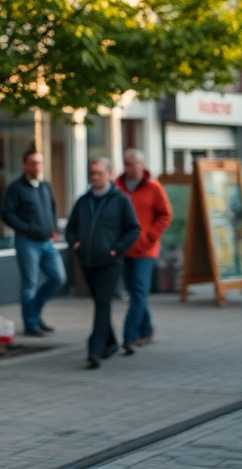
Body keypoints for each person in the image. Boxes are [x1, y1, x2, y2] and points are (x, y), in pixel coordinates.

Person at [66, 157, 140, 369]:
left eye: (99, 173)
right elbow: (71, 228)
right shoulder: (83, 201)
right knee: (100, 303)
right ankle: (111, 343)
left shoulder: (120, 200)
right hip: (87, 261)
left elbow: (133, 229)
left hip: (110, 262)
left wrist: (117, 249)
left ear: (110, 174)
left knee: (102, 302)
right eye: (92, 173)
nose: (95, 177)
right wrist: (75, 244)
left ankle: (95, 351)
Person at [0, 149, 66, 337]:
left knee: (58, 277)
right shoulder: (16, 188)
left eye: (40, 163)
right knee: (29, 283)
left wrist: (53, 228)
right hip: (27, 242)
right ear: (25, 166)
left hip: (47, 242)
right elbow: (7, 213)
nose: (37, 167)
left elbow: (51, 207)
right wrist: (25, 228)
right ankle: (31, 323)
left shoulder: (44, 186)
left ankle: (34, 311)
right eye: (33, 163)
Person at [115, 148, 172, 352]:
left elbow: (165, 215)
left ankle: (130, 336)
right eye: (126, 164)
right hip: (125, 248)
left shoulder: (153, 187)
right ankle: (147, 329)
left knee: (139, 290)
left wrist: (149, 236)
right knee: (134, 292)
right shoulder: (117, 187)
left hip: (146, 250)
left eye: (132, 164)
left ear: (142, 164)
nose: (128, 168)